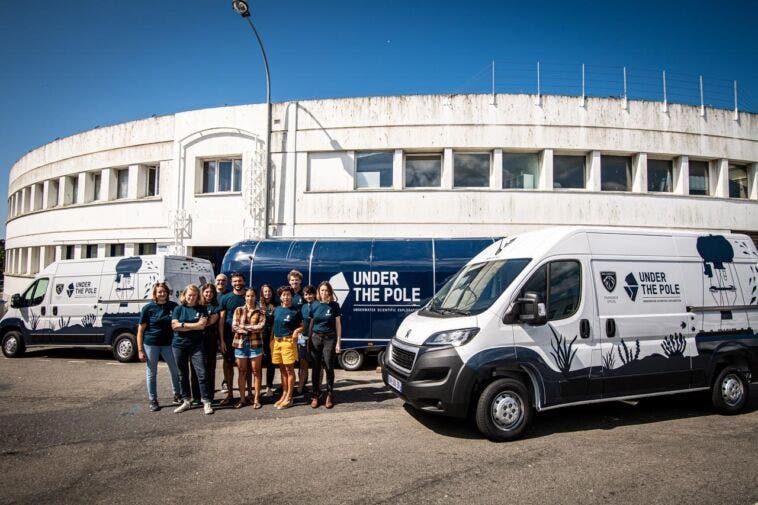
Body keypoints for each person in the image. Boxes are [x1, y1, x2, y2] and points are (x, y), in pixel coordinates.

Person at [136, 282, 182, 412]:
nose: (162, 294)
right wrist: (140, 350)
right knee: (152, 373)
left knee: (175, 370)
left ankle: (177, 394)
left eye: (164, 291)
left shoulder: (174, 306)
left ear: (168, 293)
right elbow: (140, 330)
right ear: (155, 294)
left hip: (169, 344)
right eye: (159, 292)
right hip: (151, 344)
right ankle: (153, 399)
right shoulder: (148, 308)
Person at [171, 284, 213, 415]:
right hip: (179, 345)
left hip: (196, 345)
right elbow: (174, 327)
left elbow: (202, 326)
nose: (191, 297)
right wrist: (193, 325)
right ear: (184, 295)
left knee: (202, 373)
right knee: (182, 374)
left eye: (194, 295)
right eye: (189, 295)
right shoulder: (178, 309)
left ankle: (206, 402)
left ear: (197, 296)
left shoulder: (202, 309)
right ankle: (186, 401)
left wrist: (182, 325)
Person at [309, 281, 342, 409]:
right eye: (322, 290)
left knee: (329, 367)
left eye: (326, 290)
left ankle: (329, 394)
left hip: (330, 339)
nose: (324, 292)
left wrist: (338, 342)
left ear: (330, 292)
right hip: (316, 338)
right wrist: (309, 341)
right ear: (319, 291)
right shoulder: (314, 305)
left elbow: (338, 324)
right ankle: (316, 395)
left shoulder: (334, 306)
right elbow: (311, 323)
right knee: (316, 368)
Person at [231, 288, 265, 408]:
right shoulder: (238, 310)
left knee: (256, 371)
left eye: (252, 296)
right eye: (248, 296)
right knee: (242, 372)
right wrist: (250, 328)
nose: (250, 298)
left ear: (255, 297)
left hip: (255, 345)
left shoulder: (260, 311)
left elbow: (260, 327)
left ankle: (256, 399)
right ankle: (242, 399)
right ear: (244, 297)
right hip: (240, 344)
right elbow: (234, 326)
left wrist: (244, 327)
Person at [271, 285, 303, 409]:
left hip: (288, 342)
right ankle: (284, 394)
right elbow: (275, 326)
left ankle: (289, 397)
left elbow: (302, 325)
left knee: (289, 370)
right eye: (284, 295)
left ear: (292, 296)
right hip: (277, 342)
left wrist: (296, 331)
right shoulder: (277, 309)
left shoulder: (295, 311)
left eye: (288, 294)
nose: (286, 297)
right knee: (282, 370)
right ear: (280, 297)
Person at [188, 283, 220, 404]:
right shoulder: (197, 305)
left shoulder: (215, 306)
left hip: (210, 341)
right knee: (195, 368)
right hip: (196, 340)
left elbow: (210, 321)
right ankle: (196, 396)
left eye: (211, 292)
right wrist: (197, 324)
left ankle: (209, 396)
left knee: (210, 369)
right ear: (202, 293)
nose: (208, 294)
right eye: (206, 292)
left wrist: (197, 324)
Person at [218, 272, 247, 406]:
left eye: (239, 281)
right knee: (228, 365)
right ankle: (230, 394)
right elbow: (222, 320)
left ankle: (248, 394)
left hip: (246, 337)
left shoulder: (249, 296)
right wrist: (222, 340)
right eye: (235, 281)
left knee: (244, 367)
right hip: (229, 338)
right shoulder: (226, 298)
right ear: (231, 283)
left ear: (244, 282)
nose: (237, 283)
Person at [297, 285, 317, 396]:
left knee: (317, 365)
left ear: (314, 294)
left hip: (315, 338)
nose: (308, 296)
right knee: (303, 364)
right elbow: (301, 323)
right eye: (306, 294)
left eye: (310, 294)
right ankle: (300, 387)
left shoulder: (318, 305)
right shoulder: (303, 307)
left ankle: (317, 388)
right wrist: (299, 335)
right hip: (303, 338)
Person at [259, 283, 277, 397]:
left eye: (269, 291)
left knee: (271, 363)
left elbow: (275, 322)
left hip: (271, 337)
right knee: (258, 364)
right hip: (258, 338)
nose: (267, 293)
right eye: (265, 291)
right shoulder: (257, 305)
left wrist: (272, 337)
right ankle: (258, 387)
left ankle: (269, 387)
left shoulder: (276, 305)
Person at [214, 273, 230, 393]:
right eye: (219, 280)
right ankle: (209, 384)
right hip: (210, 332)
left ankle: (226, 382)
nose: (221, 282)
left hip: (225, 330)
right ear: (215, 281)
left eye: (223, 281)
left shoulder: (229, 294)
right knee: (209, 361)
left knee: (226, 359)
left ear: (227, 282)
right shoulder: (210, 294)